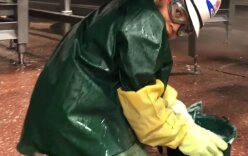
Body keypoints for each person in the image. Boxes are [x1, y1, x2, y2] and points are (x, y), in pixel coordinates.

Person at [17, 0, 228, 155]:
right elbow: (145, 113)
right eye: (179, 13)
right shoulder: (145, 24)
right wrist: (183, 135)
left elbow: (141, 79)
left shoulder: (131, 7)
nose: (176, 27)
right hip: (77, 121)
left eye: (186, 28)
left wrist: (173, 106)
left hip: (58, 110)